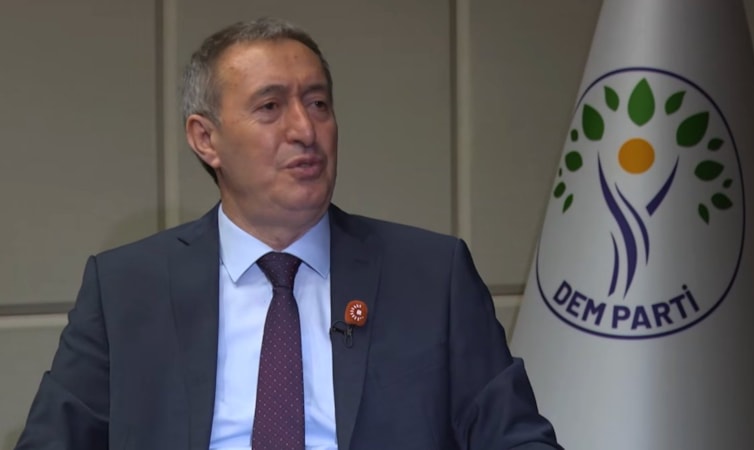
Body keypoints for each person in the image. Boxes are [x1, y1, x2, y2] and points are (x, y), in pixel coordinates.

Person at [15, 17, 561, 450]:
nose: (304, 129)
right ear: (206, 139)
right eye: (270, 107)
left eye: (318, 103)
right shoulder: (126, 288)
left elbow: (516, 438)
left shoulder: (431, 276)